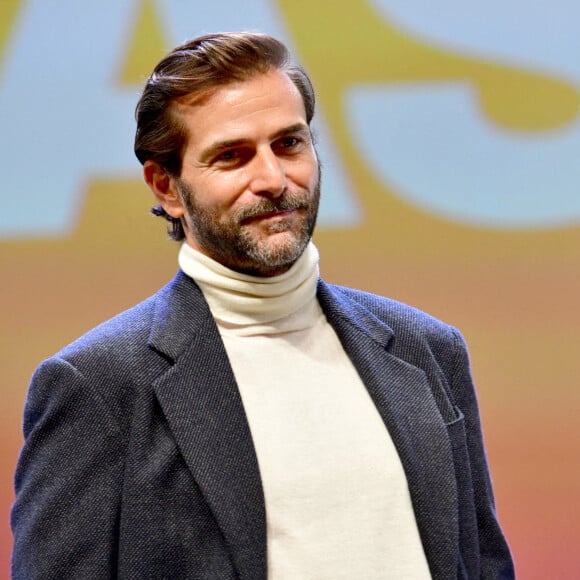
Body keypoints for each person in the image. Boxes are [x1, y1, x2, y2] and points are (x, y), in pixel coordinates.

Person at [11, 32, 514, 579]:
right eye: (232, 156)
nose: (273, 180)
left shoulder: (427, 349)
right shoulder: (99, 387)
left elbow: (482, 563)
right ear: (167, 187)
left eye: (289, 144)